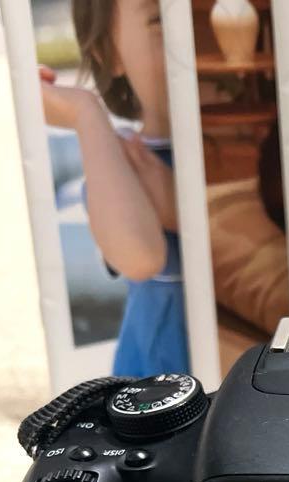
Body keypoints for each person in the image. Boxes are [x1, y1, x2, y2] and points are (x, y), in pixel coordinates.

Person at [40, 0, 188, 377]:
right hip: (158, 386)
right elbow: (138, 257)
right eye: (160, 19)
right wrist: (86, 115)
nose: (194, 38)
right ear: (109, 54)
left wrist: (180, 209)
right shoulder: (121, 161)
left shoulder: (254, 153)